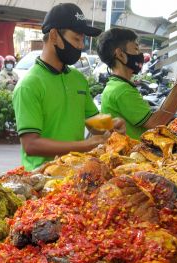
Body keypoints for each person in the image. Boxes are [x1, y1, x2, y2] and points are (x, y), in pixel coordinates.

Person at [13, 3, 125, 171]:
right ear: (53, 36)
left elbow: (93, 123)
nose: (81, 46)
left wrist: (111, 124)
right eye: (76, 39)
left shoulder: (78, 79)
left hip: (76, 172)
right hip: (42, 178)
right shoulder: (29, 84)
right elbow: (31, 144)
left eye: (82, 40)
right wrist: (84, 145)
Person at [97, 28, 177, 140]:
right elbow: (156, 123)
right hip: (131, 154)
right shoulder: (122, 90)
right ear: (120, 54)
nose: (139, 54)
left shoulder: (117, 85)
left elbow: (160, 115)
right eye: (136, 48)